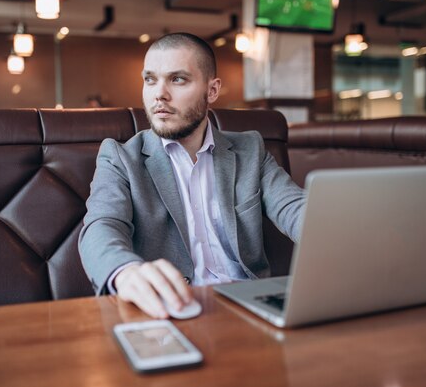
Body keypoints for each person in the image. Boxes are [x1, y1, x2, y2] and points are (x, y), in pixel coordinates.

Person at [78, 33, 305, 318]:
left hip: (252, 307)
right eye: (150, 79)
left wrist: (338, 230)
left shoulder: (250, 149)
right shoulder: (120, 157)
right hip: (172, 309)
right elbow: (101, 227)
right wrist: (125, 272)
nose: (159, 93)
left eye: (178, 79)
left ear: (212, 91)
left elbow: (294, 208)